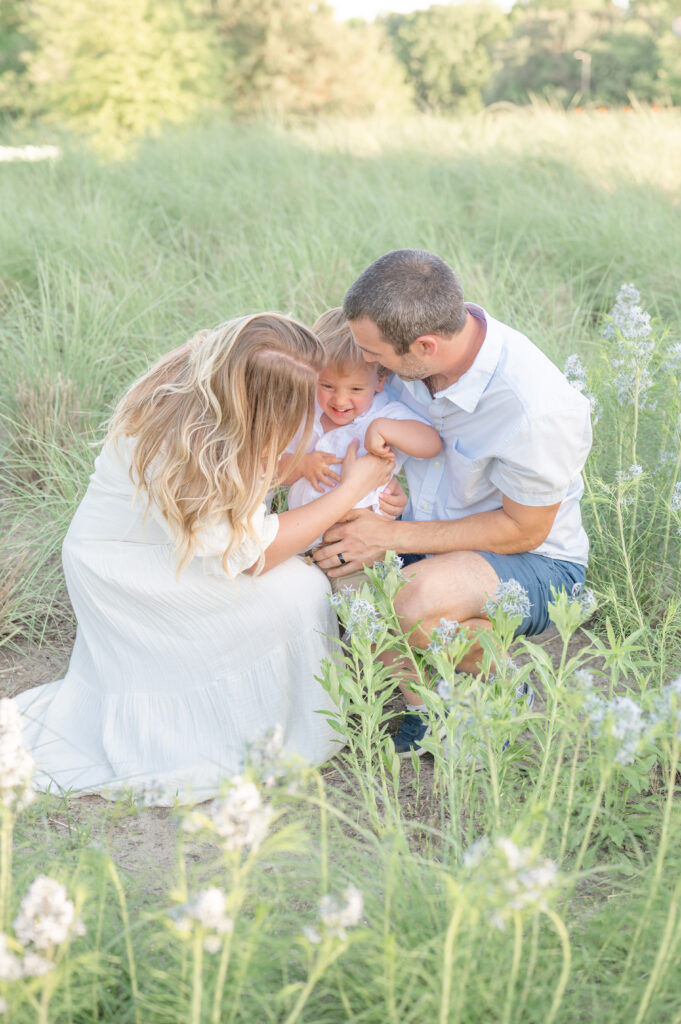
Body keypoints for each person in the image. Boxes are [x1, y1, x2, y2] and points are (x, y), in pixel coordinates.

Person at [14, 313, 392, 803]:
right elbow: (255, 555)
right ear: (258, 401)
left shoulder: (211, 387)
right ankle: (217, 730)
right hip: (129, 570)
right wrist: (353, 489)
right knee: (299, 589)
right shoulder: (189, 445)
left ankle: (271, 711)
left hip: (164, 543)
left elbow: (247, 490)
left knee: (299, 584)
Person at [312, 250, 593, 755]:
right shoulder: (412, 352)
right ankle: (455, 671)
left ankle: (500, 685)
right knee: (334, 579)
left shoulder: (536, 408)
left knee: (410, 605)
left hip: (533, 560)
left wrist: (390, 536)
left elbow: (523, 530)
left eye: (374, 357)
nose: (369, 365)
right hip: (421, 536)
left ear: (424, 345)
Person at [280, 308, 442, 583]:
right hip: (299, 541)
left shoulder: (383, 413)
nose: (340, 401)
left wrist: (383, 428)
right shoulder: (305, 414)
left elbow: (431, 444)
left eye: (355, 390)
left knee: (361, 602)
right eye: (327, 385)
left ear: (380, 380)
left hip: (360, 549)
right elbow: (273, 469)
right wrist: (302, 464)